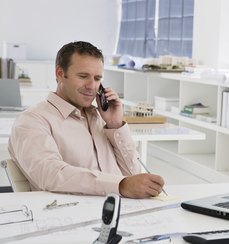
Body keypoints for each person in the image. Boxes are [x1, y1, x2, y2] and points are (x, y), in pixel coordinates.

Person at [8, 41, 165, 198]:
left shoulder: (102, 119)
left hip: (119, 210)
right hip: (71, 215)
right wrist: (120, 185)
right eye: (83, 76)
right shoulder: (32, 120)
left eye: (97, 78)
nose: (92, 86)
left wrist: (115, 124)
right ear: (60, 74)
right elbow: (50, 174)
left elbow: (132, 174)